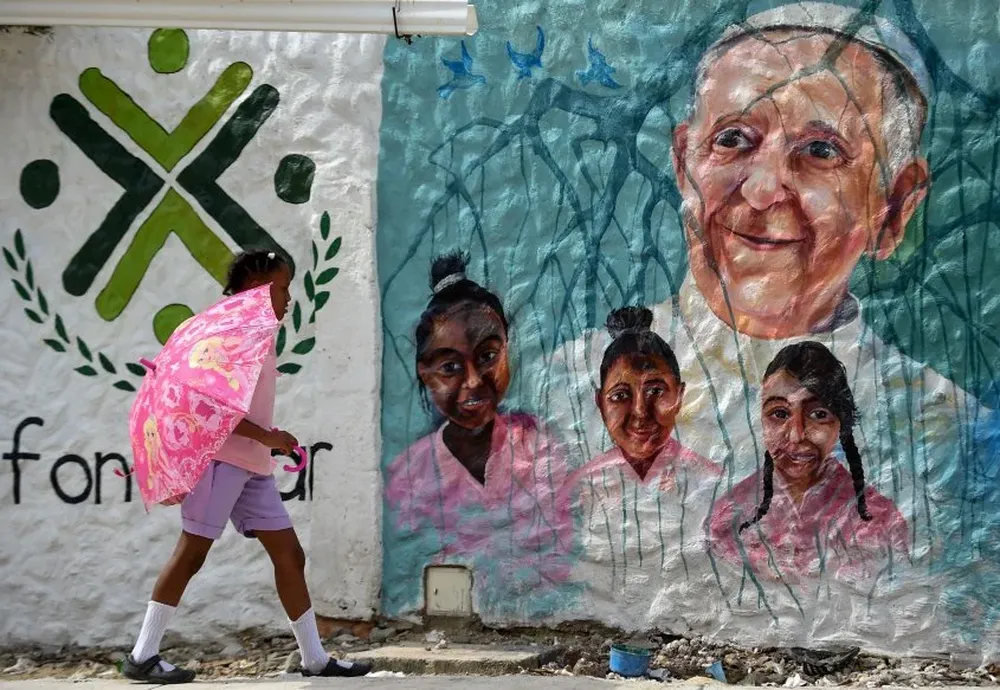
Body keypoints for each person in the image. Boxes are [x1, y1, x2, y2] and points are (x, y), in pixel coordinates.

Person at [545, 1, 983, 568]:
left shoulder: (944, 422)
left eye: (820, 151)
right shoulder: (568, 383)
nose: (762, 190)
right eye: (732, 139)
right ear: (684, 165)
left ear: (894, 207)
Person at [121, 250, 371, 683]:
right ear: (257, 286)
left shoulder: (252, 332)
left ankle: (315, 659)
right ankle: (142, 655)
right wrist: (268, 437)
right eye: (282, 286)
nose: (289, 298)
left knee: (289, 555)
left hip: (251, 465)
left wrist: (265, 443)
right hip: (221, 462)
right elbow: (213, 404)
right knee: (192, 552)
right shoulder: (227, 333)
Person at [383, 252, 573, 621]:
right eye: (450, 367)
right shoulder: (408, 474)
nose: (472, 382)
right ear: (424, 372)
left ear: (508, 348)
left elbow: (561, 553)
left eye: (488, 356)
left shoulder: (539, 446)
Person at [560, 307, 720, 627]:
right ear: (599, 404)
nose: (640, 412)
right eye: (620, 396)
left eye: (656, 391)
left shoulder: (707, 482)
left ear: (681, 395)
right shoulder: (582, 489)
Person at [709, 342, 909, 584]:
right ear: (761, 419)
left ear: (840, 425)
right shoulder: (728, 517)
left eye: (818, 414)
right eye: (779, 414)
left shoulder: (881, 520)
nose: (796, 435)